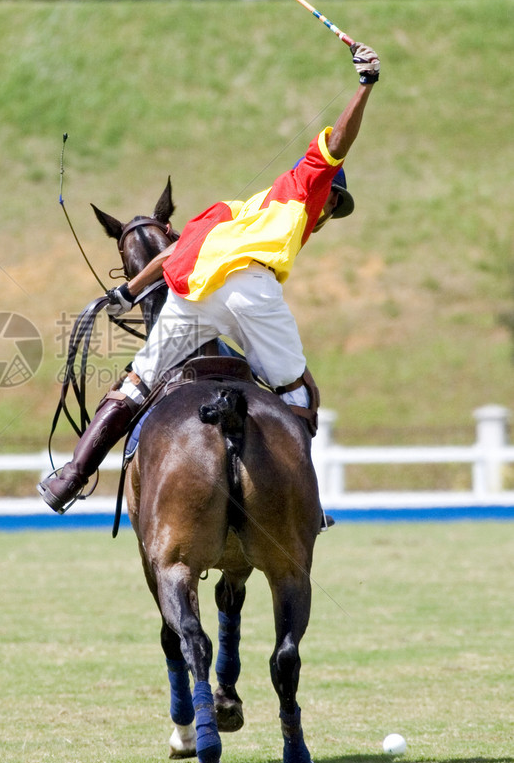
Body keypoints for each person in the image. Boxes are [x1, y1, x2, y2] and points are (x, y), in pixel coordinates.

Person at [38, 41, 380, 513]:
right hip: (249, 290)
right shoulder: (304, 186)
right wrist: (364, 85)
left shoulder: (228, 211)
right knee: (299, 390)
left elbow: (172, 255)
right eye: (331, 205)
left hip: (193, 290)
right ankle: (303, 504)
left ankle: (70, 477)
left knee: (137, 383)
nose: (325, 213)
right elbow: (339, 141)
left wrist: (125, 292)